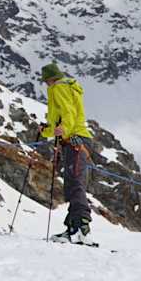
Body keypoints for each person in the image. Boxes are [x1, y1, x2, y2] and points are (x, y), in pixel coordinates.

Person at [40, 62, 95, 245]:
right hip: (74, 140)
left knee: (75, 182)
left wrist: (63, 129)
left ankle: (81, 229)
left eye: (46, 80)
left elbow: (68, 113)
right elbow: (61, 119)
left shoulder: (60, 87)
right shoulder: (66, 87)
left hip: (75, 140)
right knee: (72, 183)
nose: (46, 84)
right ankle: (74, 228)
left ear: (50, 78)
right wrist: (46, 131)